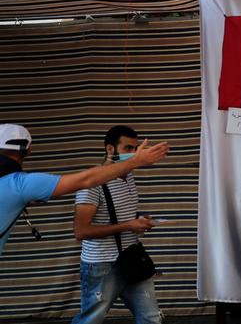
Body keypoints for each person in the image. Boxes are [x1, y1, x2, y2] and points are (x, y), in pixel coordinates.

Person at [0, 123, 169, 256]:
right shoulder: (21, 184)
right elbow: (86, 181)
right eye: (128, 149)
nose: (132, 152)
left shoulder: (21, 186)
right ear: (29, 149)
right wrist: (136, 161)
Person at [71, 126, 162, 324]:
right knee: (91, 320)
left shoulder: (128, 176)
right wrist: (128, 225)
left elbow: (118, 215)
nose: (134, 154)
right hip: (102, 264)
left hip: (131, 258)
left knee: (151, 318)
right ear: (110, 149)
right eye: (128, 148)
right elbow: (81, 231)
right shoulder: (92, 182)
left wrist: (140, 221)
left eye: (135, 149)